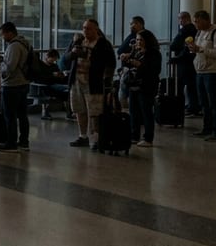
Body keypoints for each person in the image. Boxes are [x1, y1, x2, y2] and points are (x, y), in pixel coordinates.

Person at [66, 19, 115, 150]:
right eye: (83, 28)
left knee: (95, 112)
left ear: (96, 29)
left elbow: (111, 63)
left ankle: (96, 138)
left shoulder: (103, 44)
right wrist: (74, 53)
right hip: (76, 81)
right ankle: (83, 136)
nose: (85, 31)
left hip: (93, 82)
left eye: (88, 28)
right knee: (79, 109)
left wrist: (107, 81)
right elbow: (66, 58)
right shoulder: (78, 41)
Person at [189, 10, 216, 142]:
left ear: (205, 20)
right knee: (204, 103)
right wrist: (194, 48)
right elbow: (199, 49)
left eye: (197, 21)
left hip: (214, 73)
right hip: (201, 71)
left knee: (215, 103)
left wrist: (201, 49)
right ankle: (207, 128)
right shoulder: (200, 32)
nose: (195, 24)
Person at [0, 22, 31, 152]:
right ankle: (24, 142)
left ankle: (11, 143)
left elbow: (9, 68)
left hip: (12, 85)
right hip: (23, 83)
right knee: (22, 115)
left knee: (9, 115)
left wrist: (0, 63)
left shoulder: (14, 46)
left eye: (3, 34)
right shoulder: (24, 43)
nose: (2, 37)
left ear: (9, 32)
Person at [123, 29, 161, 148]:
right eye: (137, 40)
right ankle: (134, 135)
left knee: (146, 112)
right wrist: (127, 60)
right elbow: (130, 65)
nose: (138, 42)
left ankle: (148, 138)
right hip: (134, 85)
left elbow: (154, 70)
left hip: (146, 86)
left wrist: (139, 65)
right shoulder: (137, 51)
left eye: (141, 40)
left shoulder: (153, 53)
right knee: (133, 111)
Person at [171, 11, 201, 116]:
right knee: (192, 85)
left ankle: (191, 107)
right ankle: (194, 106)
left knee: (186, 85)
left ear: (185, 19)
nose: (179, 21)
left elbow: (174, 45)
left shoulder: (184, 30)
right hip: (192, 61)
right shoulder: (194, 30)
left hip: (184, 62)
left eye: (180, 19)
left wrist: (177, 56)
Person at [116, 16, 144, 101]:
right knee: (123, 98)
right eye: (131, 24)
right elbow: (121, 50)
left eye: (135, 23)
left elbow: (140, 52)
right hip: (127, 72)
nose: (132, 26)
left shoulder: (143, 36)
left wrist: (129, 55)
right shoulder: (131, 36)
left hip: (136, 74)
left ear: (141, 24)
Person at [38, 48, 72, 120]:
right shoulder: (41, 66)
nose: (54, 60)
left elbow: (58, 77)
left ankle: (69, 112)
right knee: (66, 90)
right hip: (46, 85)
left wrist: (61, 75)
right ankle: (68, 112)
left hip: (54, 84)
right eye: (53, 58)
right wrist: (52, 75)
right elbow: (41, 78)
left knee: (68, 90)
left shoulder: (54, 66)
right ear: (48, 57)